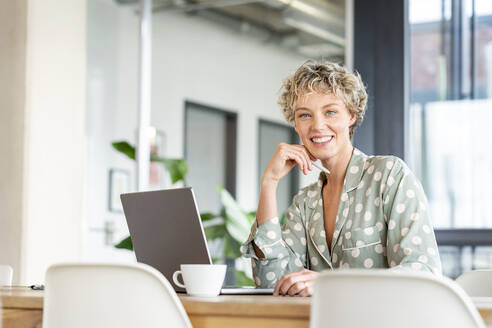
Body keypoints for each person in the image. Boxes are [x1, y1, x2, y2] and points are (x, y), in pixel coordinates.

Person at [240, 60, 442, 297]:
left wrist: (331, 283)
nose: (317, 125)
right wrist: (269, 183)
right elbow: (270, 282)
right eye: (305, 115)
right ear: (296, 125)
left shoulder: (389, 176)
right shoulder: (305, 204)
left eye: (330, 112)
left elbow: (424, 273)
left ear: (351, 116)